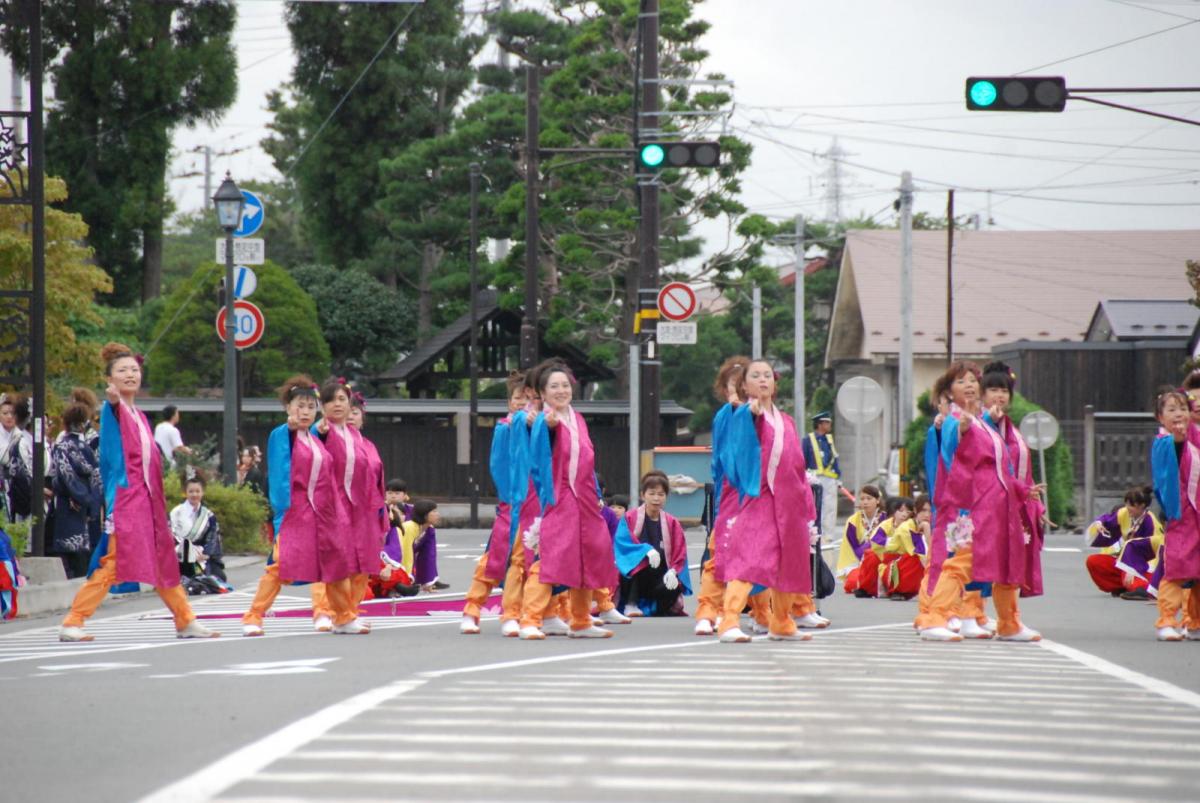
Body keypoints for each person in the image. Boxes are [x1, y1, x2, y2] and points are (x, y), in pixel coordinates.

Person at [58, 343, 218, 642]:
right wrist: (114, 400)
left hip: (148, 502)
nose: (131, 374)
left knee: (163, 562)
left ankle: (185, 620)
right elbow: (115, 427)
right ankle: (73, 620)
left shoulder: (139, 415)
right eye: (122, 370)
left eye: (134, 369)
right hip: (127, 500)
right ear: (110, 379)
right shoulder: (114, 410)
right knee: (115, 563)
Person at [922, 360, 1039, 643]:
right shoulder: (954, 419)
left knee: (1006, 563)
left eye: (973, 381)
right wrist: (961, 429)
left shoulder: (983, 423)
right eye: (961, 381)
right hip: (972, 506)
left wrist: (1022, 491)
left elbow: (1001, 467)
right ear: (948, 392)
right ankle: (935, 618)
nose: (970, 386)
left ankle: (1009, 623)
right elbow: (951, 453)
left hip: (998, 506)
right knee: (963, 561)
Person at [242, 375, 365, 636]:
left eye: (311, 406)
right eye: (300, 405)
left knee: (334, 565)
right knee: (280, 565)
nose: (305, 411)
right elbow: (280, 473)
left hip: (322, 515)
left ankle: (343, 617)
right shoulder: (282, 434)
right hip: (295, 514)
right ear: (288, 407)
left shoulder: (313, 438)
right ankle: (254, 616)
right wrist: (286, 512)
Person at [718, 359, 818, 643]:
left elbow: (797, 464)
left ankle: (782, 621)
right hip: (759, 498)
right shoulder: (744, 414)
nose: (763, 380)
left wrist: (805, 501)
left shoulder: (786, 421)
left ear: (774, 384)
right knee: (749, 558)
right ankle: (729, 620)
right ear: (745, 385)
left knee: (789, 562)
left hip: (789, 503)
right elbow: (737, 446)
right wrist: (750, 415)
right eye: (755, 376)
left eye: (767, 375)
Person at [519, 362, 617, 640]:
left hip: (585, 498)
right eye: (554, 386)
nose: (561, 390)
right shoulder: (541, 419)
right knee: (551, 556)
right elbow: (537, 449)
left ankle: (581, 620)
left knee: (589, 557)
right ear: (542, 393)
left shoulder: (577, 418)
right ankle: (530, 618)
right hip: (560, 497)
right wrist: (544, 426)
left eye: (565, 385)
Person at [309, 378, 386, 632]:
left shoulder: (360, 440)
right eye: (331, 400)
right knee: (333, 561)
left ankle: (348, 612)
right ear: (322, 406)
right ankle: (327, 611)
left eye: (343, 400)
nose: (339, 405)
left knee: (361, 562)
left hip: (362, 509)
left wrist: (380, 512)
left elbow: (374, 478)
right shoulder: (322, 431)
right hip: (334, 506)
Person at [463, 373, 532, 634]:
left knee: (532, 563)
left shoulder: (537, 427)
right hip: (513, 505)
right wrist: (511, 499)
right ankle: (474, 609)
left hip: (536, 506)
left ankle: (533, 612)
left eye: (528, 398)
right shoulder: (505, 428)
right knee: (496, 559)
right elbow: (499, 466)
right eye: (518, 398)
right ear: (509, 401)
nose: (522, 403)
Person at [695, 356, 750, 636]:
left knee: (756, 555)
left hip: (755, 496)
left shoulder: (761, 414)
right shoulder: (724, 416)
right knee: (720, 554)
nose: (737, 390)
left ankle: (762, 612)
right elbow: (721, 460)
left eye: (741, 384)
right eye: (732, 385)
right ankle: (710, 611)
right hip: (731, 494)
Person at [1148, 388, 1200, 641]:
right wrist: (1177, 441)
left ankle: (1195, 623)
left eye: (1183, 409)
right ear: (1160, 417)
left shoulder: (1196, 437)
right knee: (1177, 567)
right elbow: (1166, 474)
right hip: (1181, 514)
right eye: (1171, 410)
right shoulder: (1163, 442)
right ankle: (1167, 620)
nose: (1179, 414)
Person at [615, 470, 691, 616]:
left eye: (661, 494)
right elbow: (623, 546)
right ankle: (631, 604)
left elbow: (680, 553)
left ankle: (657, 608)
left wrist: (673, 571)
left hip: (659, 576)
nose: (656, 498)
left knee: (675, 583)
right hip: (635, 577)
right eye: (652, 493)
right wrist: (645, 550)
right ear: (643, 495)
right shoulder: (630, 518)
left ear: (666, 497)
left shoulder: (672, 522)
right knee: (636, 561)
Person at [49, 401, 103, 579]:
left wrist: (77, 496)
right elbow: (96, 478)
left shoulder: (62, 447)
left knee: (69, 550)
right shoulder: (86, 448)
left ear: (65, 423)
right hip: (86, 505)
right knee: (84, 550)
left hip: (68, 503)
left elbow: (65, 476)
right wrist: (91, 504)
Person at [1085, 485, 1161, 598]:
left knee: (1133, 573)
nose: (1127, 508)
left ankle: (1142, 588)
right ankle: (1121, 586)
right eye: (1127, 504)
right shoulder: (1124, 513)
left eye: (1131, 505)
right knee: (1094, 561)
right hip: (1127, 559)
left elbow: (1155, 556)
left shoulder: (1151, 523)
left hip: (1146, 564)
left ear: (1142, 506)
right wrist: (1100, 524)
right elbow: (1107, 519)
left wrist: (1132, 567)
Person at [169, 475, 228, 586]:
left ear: (202, 493)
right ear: (185, 493)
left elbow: (212, 537)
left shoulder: (208, 515)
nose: (194, 494)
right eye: (191, 491)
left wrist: (206, 554)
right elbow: (171, 536)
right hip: (181, 553)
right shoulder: (176, 512)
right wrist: (189, 552)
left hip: (201, 554)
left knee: (220, 577)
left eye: (197, 491)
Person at [852, 496, 912, 599]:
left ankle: (900, 590)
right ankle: (866, 588)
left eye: (908, 511)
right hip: (886, 555)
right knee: (871, 556)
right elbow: (875, 539)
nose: (904, 514)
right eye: (901, 510)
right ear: (894, 511)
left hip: (904, 557)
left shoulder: (913, 525)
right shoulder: (887, 524)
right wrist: (893, 542)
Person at [372, 480, 420, 598]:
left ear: (405, 495)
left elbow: (393, 547)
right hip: (372, 557)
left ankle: (394, 587)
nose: (393, 496)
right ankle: (395, 587)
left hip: (390, 556)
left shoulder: (411, 511)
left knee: (397, 571)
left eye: (397, 493)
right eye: (390, 493)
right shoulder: (377, 511)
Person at [835, 484, 884, 592]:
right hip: (859, 561)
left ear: (877, 500)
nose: (865, 502)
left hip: (881, 561)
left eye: (869, 498)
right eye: (862, 499)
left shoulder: (886, 518)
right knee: (853, 583)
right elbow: (855, 548)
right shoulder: (853, 521)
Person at [881, 494, 929, 600]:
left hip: (917, 564)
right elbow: (919, 554)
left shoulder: (935, 525)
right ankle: (899, 589)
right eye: (923, 510)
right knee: (914, 559)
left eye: (930, 511)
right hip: (895, 567)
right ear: (915, 510)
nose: (927, 515)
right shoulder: (906, 528)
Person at [802, 411, 841, 538]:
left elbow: (835, 459)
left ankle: (828, 536)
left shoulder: (829, 440)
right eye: (827, 422)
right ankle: (814, 535)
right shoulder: (808, 440)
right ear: (820, 424)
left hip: (830, 479)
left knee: (830, 508)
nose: (829, 425)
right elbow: (803, 460)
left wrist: (838, 478)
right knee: (815, 507)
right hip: (814, 479)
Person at [410, 499, 447, 592]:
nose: (438, 514)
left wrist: (428, 582)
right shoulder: (409, 528)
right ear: (424, 514)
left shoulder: (429, 530)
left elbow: (428, 556)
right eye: (434, 511)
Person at [153, 404, 191, 470]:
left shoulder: (158, 427)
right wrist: (188, 450)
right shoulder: (173, 430)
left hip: (157, 462)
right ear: (173, 416)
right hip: (169, 465)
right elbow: (179, 448)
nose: (178, 416)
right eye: (177, 413)